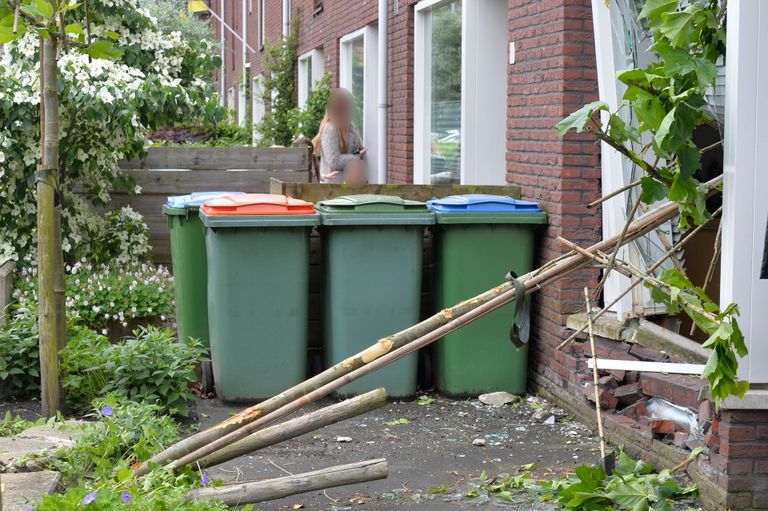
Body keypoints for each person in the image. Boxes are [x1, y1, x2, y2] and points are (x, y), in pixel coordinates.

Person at [312, 88, 366, 183]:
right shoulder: (330, 129)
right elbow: (334, 161)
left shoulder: (350, 127)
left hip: (350, 184)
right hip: (333, 186)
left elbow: (360, 147)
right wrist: (357, 156)